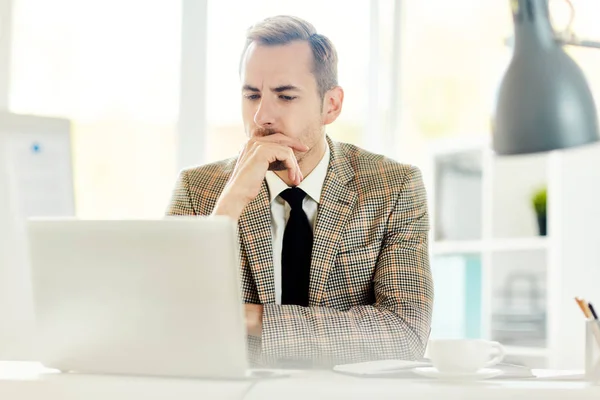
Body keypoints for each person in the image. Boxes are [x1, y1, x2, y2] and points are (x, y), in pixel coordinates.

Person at [167, 15, 433, 367]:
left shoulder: (394, 186)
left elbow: (405, 334)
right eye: (252, 95)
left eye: (285, 96)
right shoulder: (197, 188)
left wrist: (252, 319)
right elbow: (167, 318)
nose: (262, 116)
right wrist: (232, 201)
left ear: (331, 105)